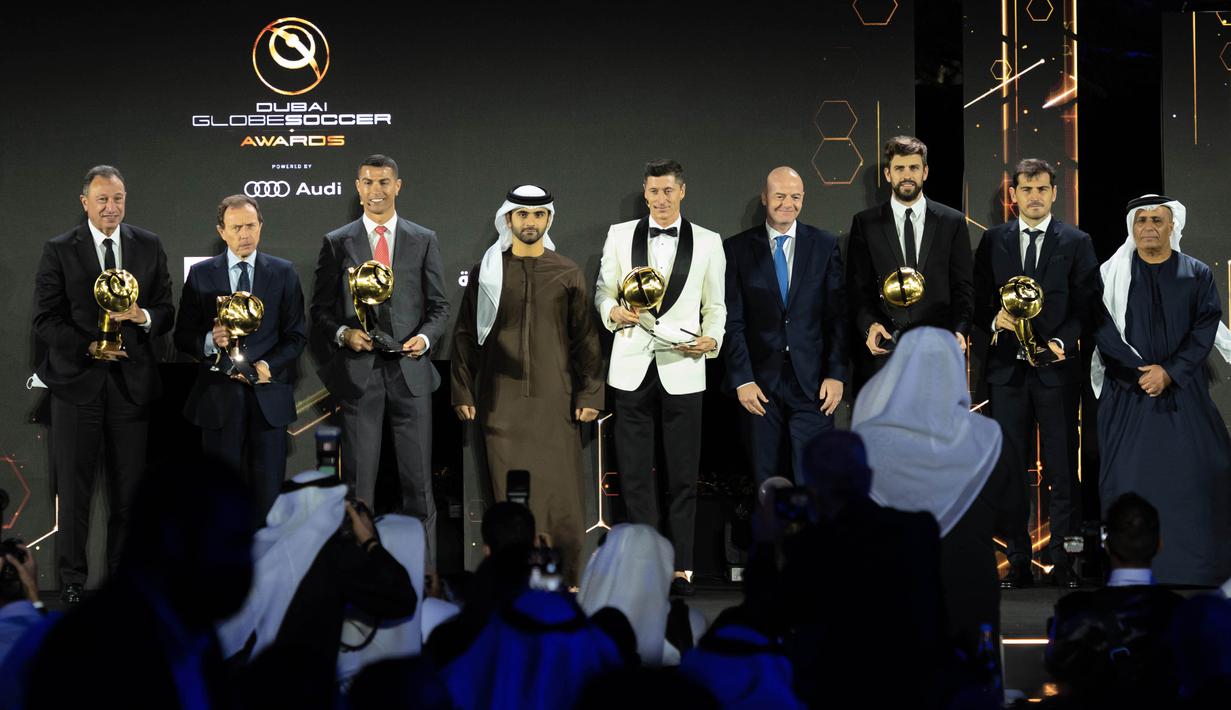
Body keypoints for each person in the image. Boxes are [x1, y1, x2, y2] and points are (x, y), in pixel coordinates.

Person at [32, 165, 174, 604]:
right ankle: (73, 582)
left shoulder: (148, 245)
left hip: (132, 388)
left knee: (130, 495)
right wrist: (89, 346)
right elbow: (45, 320)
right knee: (74, 493)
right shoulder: (60, 250)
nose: (111, 207)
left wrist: (142, 316)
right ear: (85, 203)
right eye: (102, 200)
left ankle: (124, 580)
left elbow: (167, 308)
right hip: (78, 387)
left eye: (118, 199)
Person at [451, 185, 603, 582]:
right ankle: (512, 578)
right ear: (508, 219)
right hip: (501, 404)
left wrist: (590, 393)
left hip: (557, 401)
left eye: (538, 215)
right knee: (511, 495)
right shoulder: (489, 272)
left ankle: (567, 579)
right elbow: (467, 335)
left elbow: (585, 338)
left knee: (561, 496)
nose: (530, 222)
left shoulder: (568, 272)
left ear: (548, 219)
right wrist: (463, 389)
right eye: (522, 215)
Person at [24, 457, 256, 709]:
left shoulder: (199, 640)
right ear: (175, 538)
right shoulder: (94, 649)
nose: (245, 561)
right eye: (233, 542)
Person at [595, 159, 727, 596]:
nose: (660, 199)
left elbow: (716, 306)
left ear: (682, 191)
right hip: (631, 368)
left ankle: (682, 566)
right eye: (653, 192)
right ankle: (645, 564)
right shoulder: (619, 235)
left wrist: (712, 340)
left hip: (684, 370)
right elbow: (604, 291)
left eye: (668, 191)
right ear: (645, 192)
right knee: (633, 475)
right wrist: (611, 312)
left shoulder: (708, 242)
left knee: (682, 475)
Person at [310, 154, 449, 566]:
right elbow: (319, 309)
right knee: (358, 488)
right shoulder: (337, 241)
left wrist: (424, 339)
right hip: (360, 376)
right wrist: (344, 333)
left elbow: (440, 306)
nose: (376, 190)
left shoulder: (423, 238)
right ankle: (357, 578)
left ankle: (425, 578)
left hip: (411, 375)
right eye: (368, 182)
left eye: (384, 182)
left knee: (420, 488)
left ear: (398, 186)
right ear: (358, 187)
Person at [1091, 194, 1231, 587]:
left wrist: (1169, 373)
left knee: (1205, 473)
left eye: (1157, 220)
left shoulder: (1196, 273)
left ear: (1173, 226)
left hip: (1183, 392)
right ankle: (1130, 572)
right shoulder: (1110, 274)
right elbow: (1101, 328)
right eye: (1142, 221)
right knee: (1126, 480)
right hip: (1128, 393)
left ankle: (1198, 569)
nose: (1149, 227)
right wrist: (1143, 373)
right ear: (1132, 228)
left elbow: (1205, 327)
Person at [973, 159, 1099, 589]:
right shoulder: (993, 241)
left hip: (1057, 373)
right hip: (1007, 374)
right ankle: (1018, 564)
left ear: (1054, 193)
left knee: (1064, 470)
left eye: (1042, 189)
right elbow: (977, 302)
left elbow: (1087, 304)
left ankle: (1066, 564)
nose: (1034, 197)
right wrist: (994, 321)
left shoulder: (1077, 241)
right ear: (1013, 195)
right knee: (1011, 470)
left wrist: (1061, 342)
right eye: (1026, 190)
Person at [174, 195, 307, 519]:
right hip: (219, 401)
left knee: (268, 501)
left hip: (268, 400)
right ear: (222, 231)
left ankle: (267, 567)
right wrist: (209, 339)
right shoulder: (202, 275)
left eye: (250, 225)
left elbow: (296, 336)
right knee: (222, 500)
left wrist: (266, 366)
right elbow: (182, 336)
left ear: (260, 226)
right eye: (236, 227)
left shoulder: (283, 273)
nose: (244, 233)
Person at [723, 166, 847, 484]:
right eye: (779, 195)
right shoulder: (736, 249)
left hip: (813, 385)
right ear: (765, 198)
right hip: (759, 385)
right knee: (766, 480)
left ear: (803, 199)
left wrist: (835, 374)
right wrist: (742, 380)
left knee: (816, 478)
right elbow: (732, 321)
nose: (787, 203)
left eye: (794, 196)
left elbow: (836, 317)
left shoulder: (824, 244)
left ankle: (813, 536)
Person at [846, 136, 974, 389]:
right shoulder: (865, 223)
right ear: (888, 173)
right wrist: (870, 325)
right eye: (899, 168)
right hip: (885, 353)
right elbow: (856, 287)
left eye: (914, 168)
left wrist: (959, 330)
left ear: (925, 172)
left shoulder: (952, 222)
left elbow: (963, 287)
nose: (907, 175)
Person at [1045, 492, 1183, 705]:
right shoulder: (1184, 614)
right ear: (1159, 545)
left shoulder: (1073, 612)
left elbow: (1057, 671)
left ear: (1106, 545)